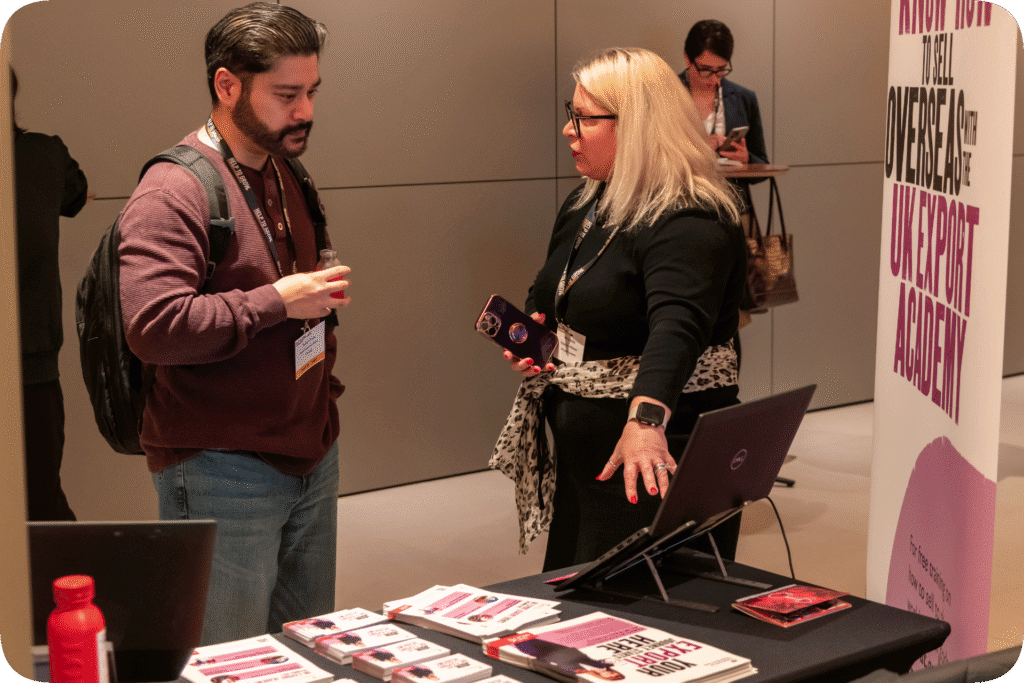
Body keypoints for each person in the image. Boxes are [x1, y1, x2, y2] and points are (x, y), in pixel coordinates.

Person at [118, 2, 349, 644]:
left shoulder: (285, 170)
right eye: (286, 95)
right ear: (227, 85)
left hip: (310, 449)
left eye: (311, 91)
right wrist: (277, 300)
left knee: (305, 649)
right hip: (221, 467)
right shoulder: (174, 189)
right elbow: (153, 326)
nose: (305, 111)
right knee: (227, 660)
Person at [490, 48, 747, 572]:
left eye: (585, 118)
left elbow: (677, 331)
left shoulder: (689, 217)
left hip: (652, 454)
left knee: (642, 604)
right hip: (590, 457)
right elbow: (553, 285)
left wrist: (646, 421)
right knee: (577, 595)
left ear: (637, 126)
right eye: (572, 113)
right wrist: (539, 330)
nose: (569, 130)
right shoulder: (590, 199)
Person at [12, 67, 89, 522]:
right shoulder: (43, 154)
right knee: (40, 506)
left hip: (32, 364)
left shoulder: (40, 155)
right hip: (32, 362)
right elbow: (76, 196)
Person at [679, 19, 768, 170]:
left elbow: (762, 163)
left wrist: (746, 159)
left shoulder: (744, 98)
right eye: (705, 69)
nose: (714, 79)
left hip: (730, 185)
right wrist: (698, 149)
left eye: (721, 70)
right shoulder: (664, 93)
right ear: (688, 59)